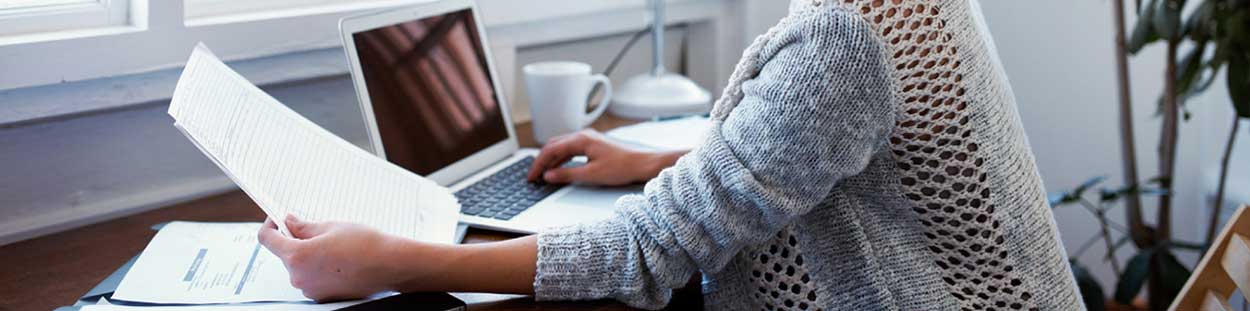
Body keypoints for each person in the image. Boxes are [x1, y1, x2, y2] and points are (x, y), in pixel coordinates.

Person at [258, 0, 1086, 309]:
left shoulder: (843, 38)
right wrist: (652, 161)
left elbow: (644, 253)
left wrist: (401, 264)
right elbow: (824, 143)